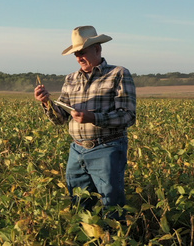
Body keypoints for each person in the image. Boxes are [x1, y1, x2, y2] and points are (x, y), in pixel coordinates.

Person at [34, 25, 136, 218]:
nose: (79, 57)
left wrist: (93, 117)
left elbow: (127, 116)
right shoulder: (71, 79)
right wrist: (46, 103)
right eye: (76, 54)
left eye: (83, 52)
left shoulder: (118, 74)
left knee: (112, 205)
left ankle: (114, 237)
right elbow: (61, 118)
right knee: (80, 204)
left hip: (108, 147)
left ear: (98, 49)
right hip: (77, 149)